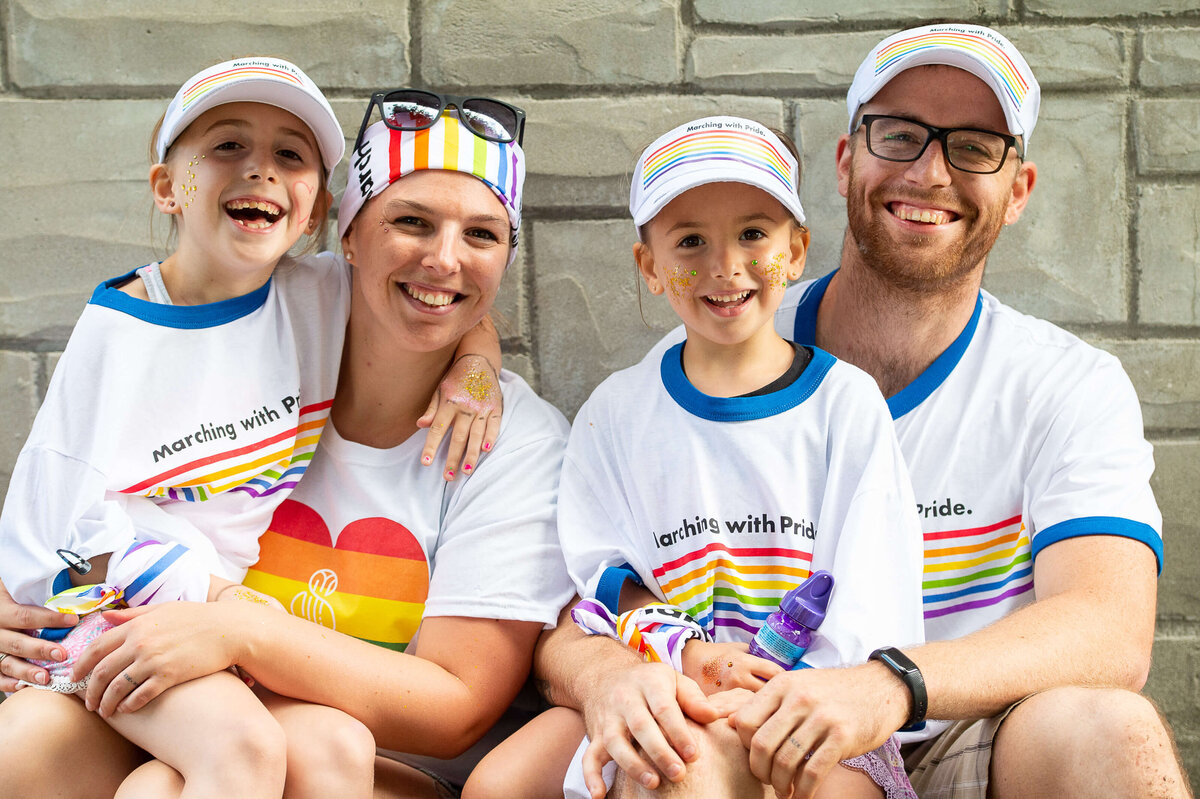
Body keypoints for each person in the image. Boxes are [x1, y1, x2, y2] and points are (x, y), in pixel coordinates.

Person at [533, 21, 1192, 799]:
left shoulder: (1064, 384)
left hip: (975, 738)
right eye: (900, 134)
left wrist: (889, 684)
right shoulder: (710, 347)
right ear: (848, 161)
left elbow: (1108, 630)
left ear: (1018, 190)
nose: (932, 171)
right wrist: (615, 673)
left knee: (1114, 732)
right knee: (681, 763)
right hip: (755, 737)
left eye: (975, 145)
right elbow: (583, 599)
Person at [0, 89, 573, 799]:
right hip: (206, 698)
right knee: (27, 735)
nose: (444, 259)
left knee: (272, 757)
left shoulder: (513, 438)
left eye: (482, 236)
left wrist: (241, 630)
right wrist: (30, 603)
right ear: (346, 235)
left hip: (374, 759)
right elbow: (78, 499)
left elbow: (455, 705)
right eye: (411, 222)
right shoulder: (262, 330)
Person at [469, 116, 925, 799]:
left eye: (753, 234)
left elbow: (869, 608)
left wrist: (759, 695)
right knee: (498, 784)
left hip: (812, 710)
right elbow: (603, 582)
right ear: (648, 265)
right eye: (689, 241)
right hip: (658, 682)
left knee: (696, 770)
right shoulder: (616, 415)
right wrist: (682, 665)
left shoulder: (844, 406)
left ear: (797, 250)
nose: (724, 266)